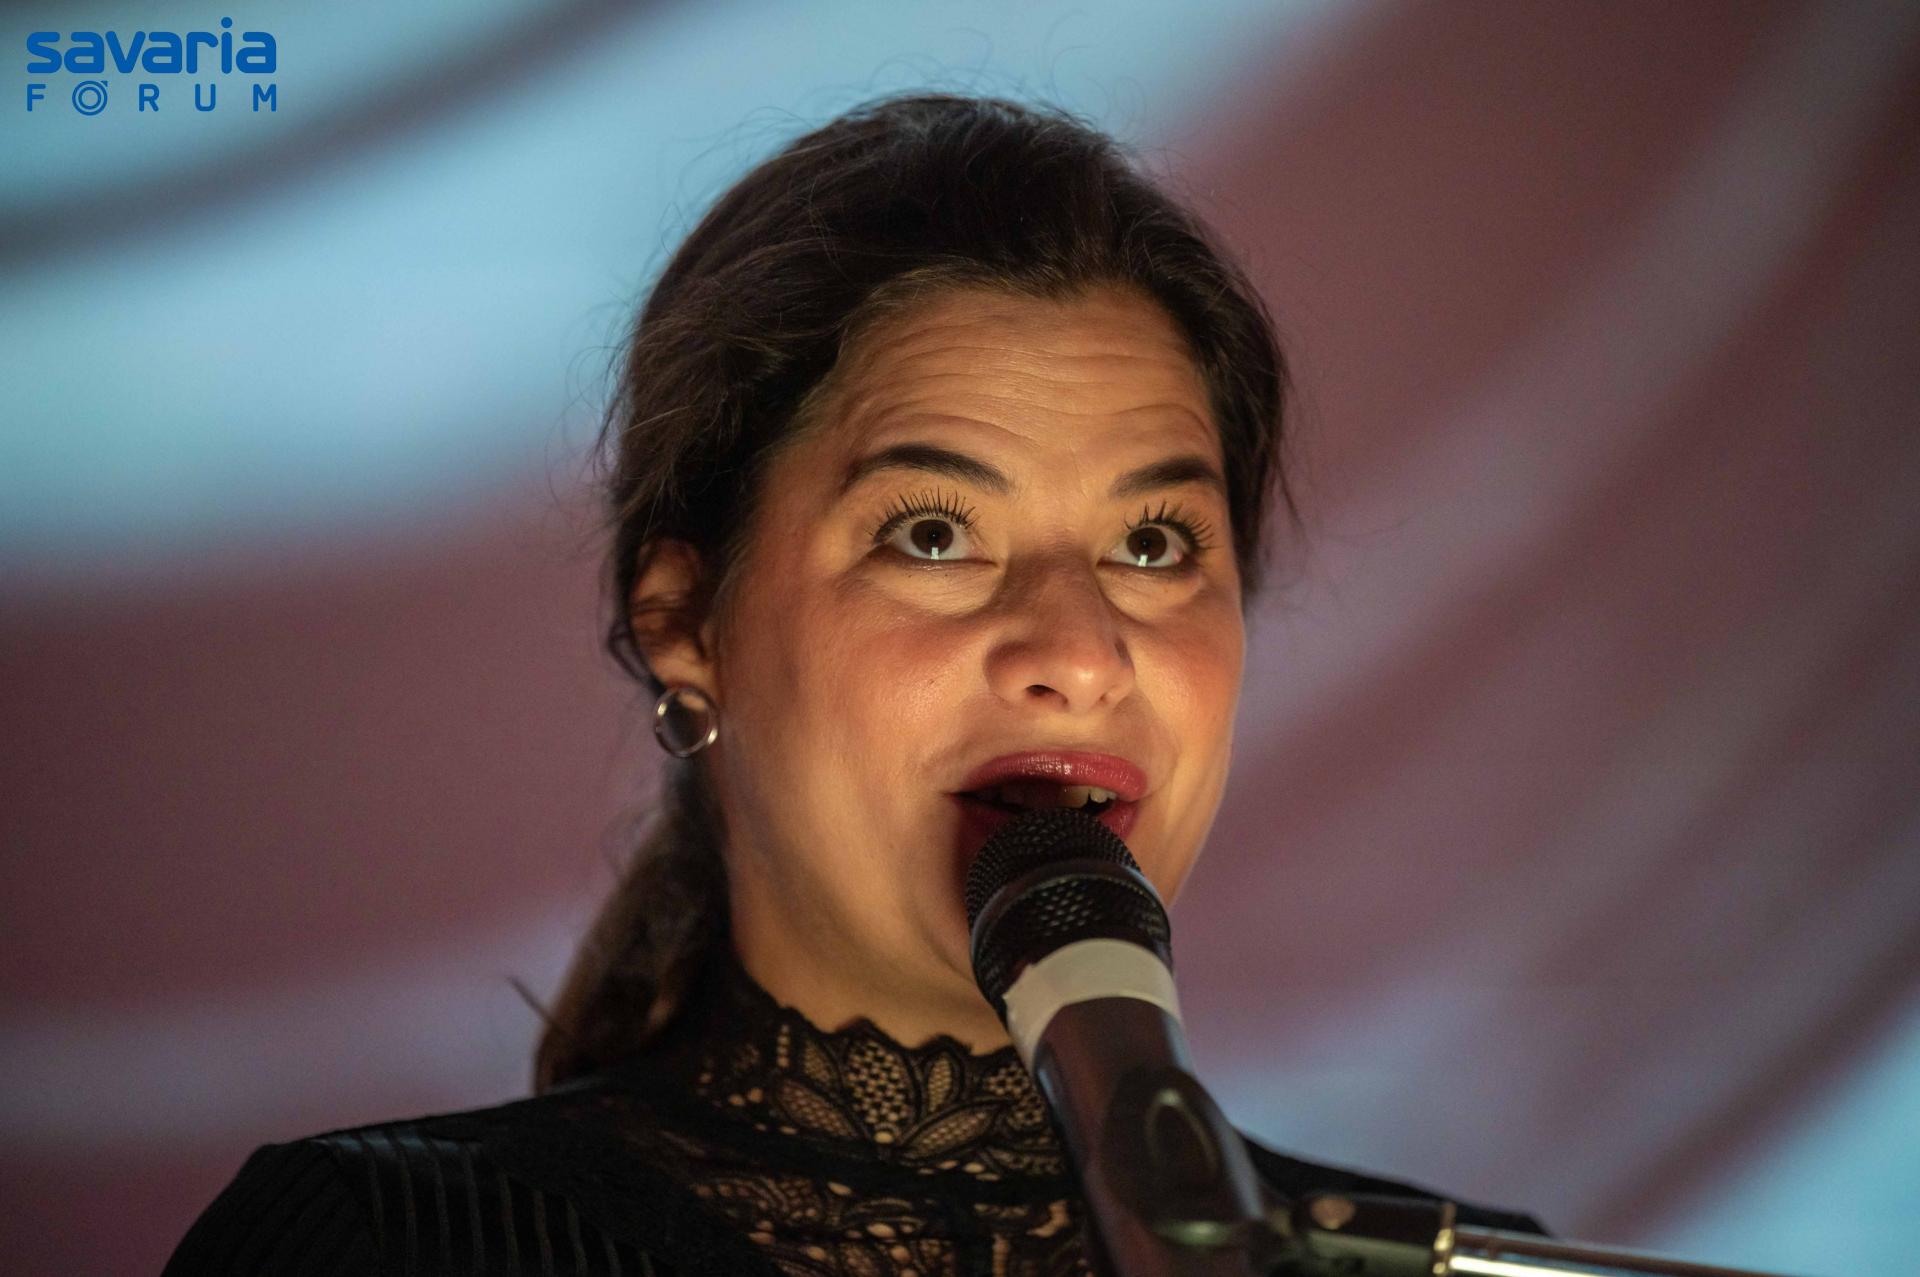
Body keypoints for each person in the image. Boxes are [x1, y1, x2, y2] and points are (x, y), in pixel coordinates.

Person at [165, 92, 1543, 1276]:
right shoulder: (386, 1243)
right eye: (934, 534)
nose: (1079, 652)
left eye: (1152, 544)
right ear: (684, 620)